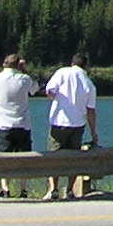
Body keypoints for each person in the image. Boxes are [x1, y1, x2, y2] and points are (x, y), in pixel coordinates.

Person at [41, 53, 100, 202]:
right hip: (77, 124)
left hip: (59, 122)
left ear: (72, 62)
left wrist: (56, 98)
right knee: (74, 157)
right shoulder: (89, 84)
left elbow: (49, 91)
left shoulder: (62, 72)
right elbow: (91, 111)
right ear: (86, 66)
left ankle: (53, 189)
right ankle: (69, 190)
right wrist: (93, 132)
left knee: (54, 156)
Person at [0, 54, 41, 198]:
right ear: (18, 65)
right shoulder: (24, 79)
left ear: (4, 64)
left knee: (3, 159)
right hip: (22, 124)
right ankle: (23, 189)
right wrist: (25, 70)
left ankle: (5, 189)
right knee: (24, 159)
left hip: (2, 125)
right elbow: (35, 88)